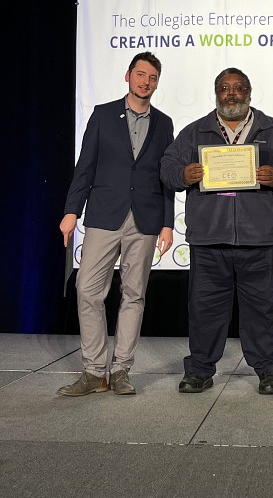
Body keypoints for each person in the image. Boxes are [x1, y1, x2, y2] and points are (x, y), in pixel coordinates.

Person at [160, 67, 273, 395]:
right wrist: (184, 174)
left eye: (239, 88)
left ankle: (268, 371)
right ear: (216, 93)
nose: (232, 93)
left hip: (259, 240)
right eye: (225, 88)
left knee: (265, 309)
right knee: (204, 310)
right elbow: (167, 168)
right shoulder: (195, 132)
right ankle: (200, 370)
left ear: (249, 92)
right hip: (209, 239)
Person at [57, 51, 174, 397]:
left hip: (146, 219)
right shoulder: (103, 115)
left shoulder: (164, 123)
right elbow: (85, 166)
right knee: (88, 289)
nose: (145, 82)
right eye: (140, 75)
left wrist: (167, 222)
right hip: (105, 215)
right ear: (128, 76)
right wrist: (71, 210)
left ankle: (121, 369)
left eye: (152, 78)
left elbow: (166, 178)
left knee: (134, 294)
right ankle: (94, 371)